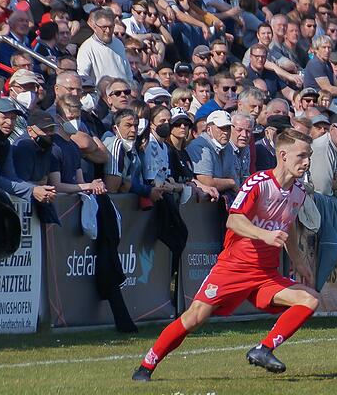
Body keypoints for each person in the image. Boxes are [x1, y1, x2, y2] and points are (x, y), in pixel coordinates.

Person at [132, 129, 318, 381]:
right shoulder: (258, 183)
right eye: (302, 156)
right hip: (235, 268)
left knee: (310, 300)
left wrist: (298, 260)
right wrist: (262, 235)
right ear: (283, 155)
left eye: (309, 156)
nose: (307, 162)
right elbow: (234, 220)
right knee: (195, 317)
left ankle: (263, 349)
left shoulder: (299, 191)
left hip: (265, 274)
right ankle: (147, 365)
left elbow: (290, 225)